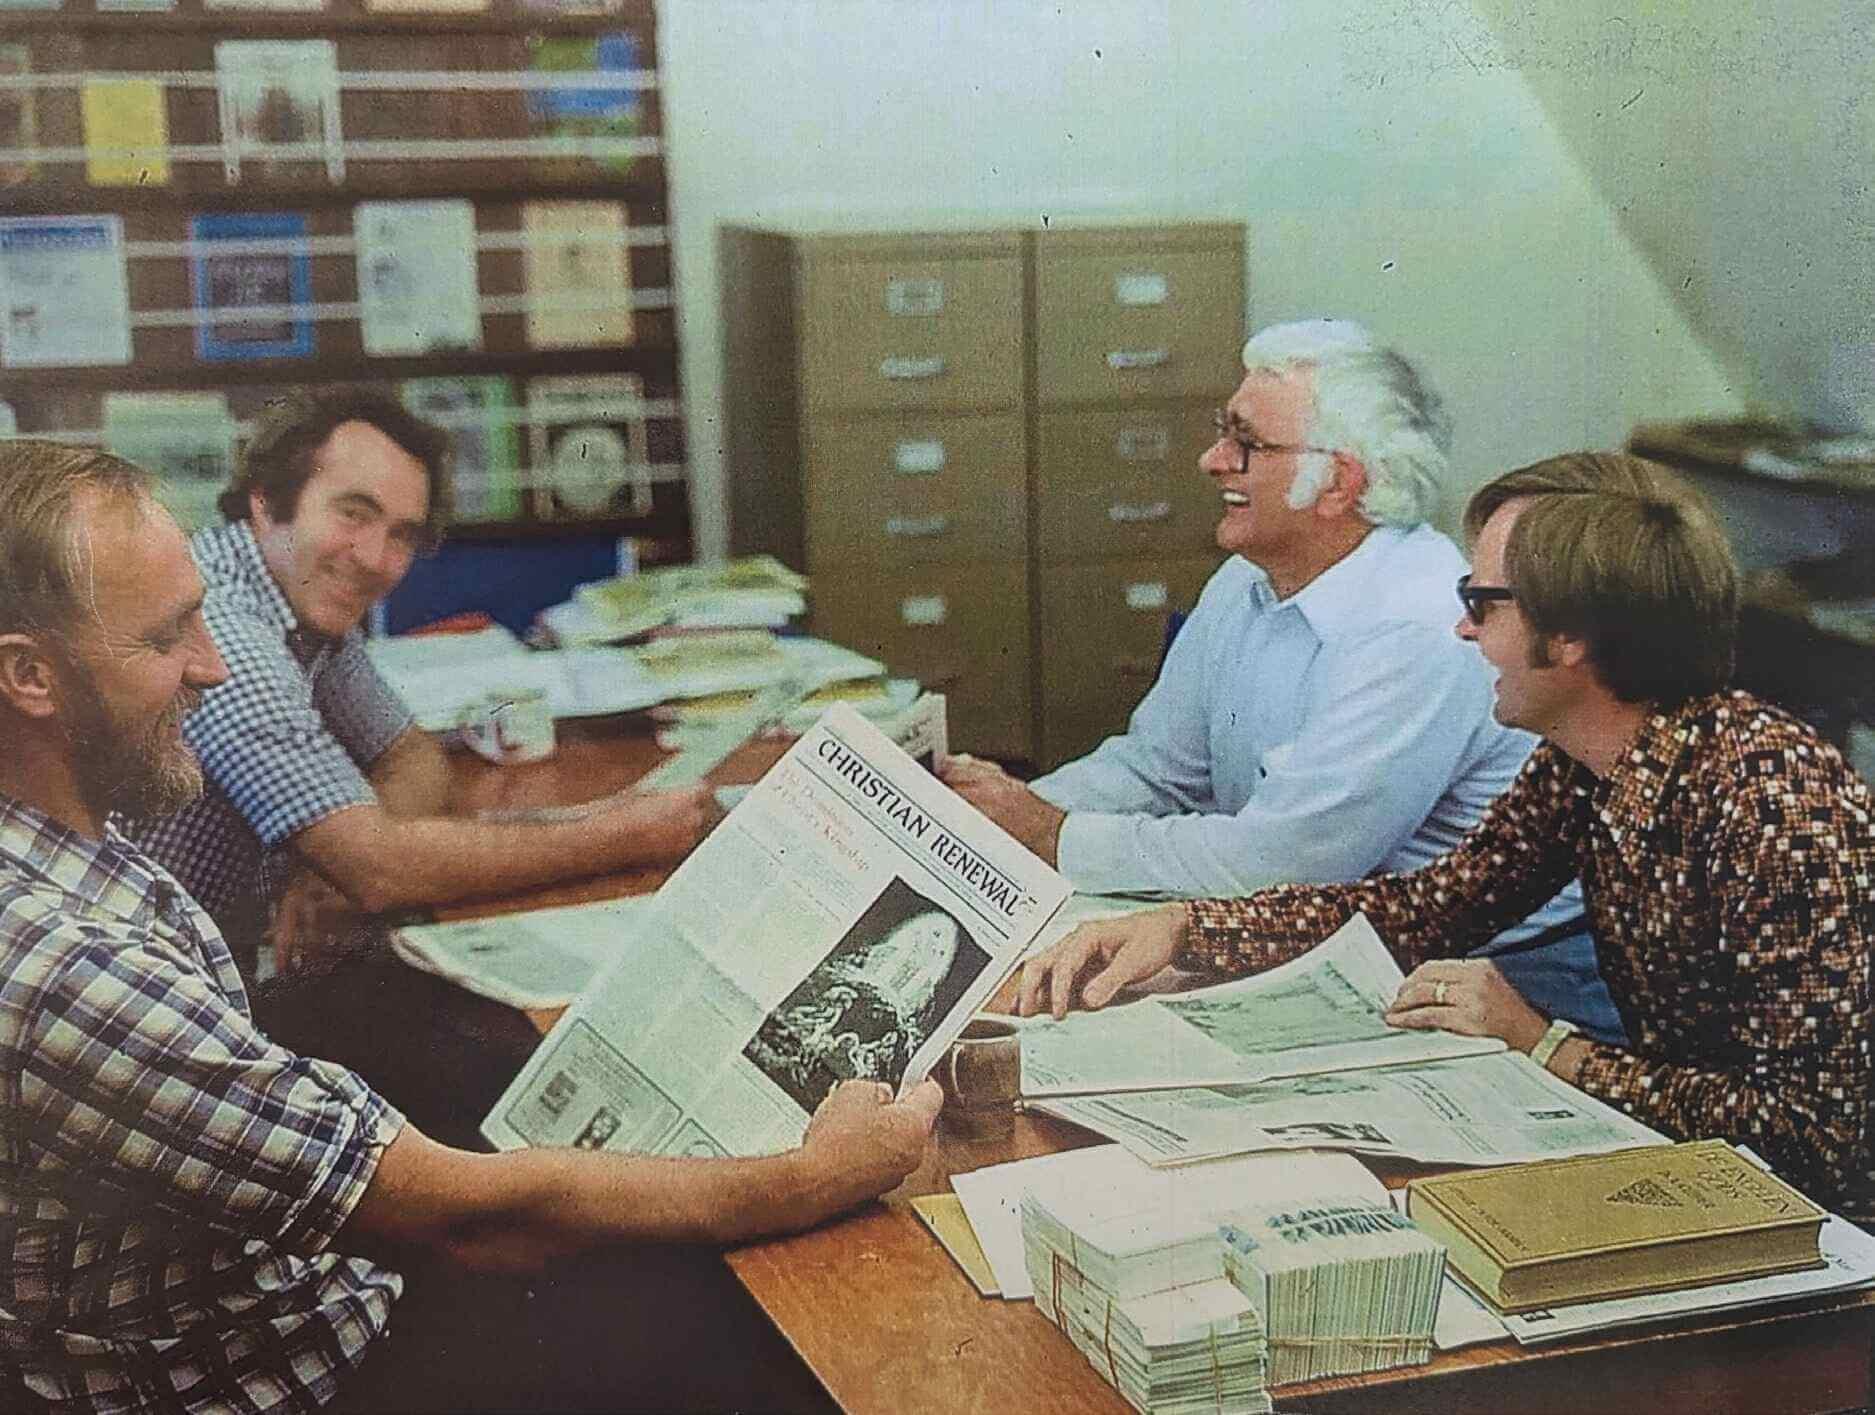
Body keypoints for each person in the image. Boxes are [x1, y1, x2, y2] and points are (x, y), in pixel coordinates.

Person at [0, 439, 941, 1413]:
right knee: (778, 1344)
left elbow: (406, 769)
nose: (213, 664)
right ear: (31, 676)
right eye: (166, 638)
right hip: (296, 1370)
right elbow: (476, 1225)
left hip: (298, 1284)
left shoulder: (61, 831)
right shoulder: (60, 965)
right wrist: (810, 1175)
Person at [1015, 452, 1875, 1220]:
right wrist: (1188, 929)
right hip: (1705, 1175)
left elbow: (1815, 1133)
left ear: (1570, 638)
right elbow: (1432, 906)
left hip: (1821, 1229)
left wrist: (1544, 1044)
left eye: (1481, 603)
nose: (1462, 629)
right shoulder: (1584, 762)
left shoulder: (1774, 806)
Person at [944, 318, 1620, 1039]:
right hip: (1332, 929)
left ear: (1338, 483)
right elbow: (1158, 768)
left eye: (1247, 443)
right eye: (1222, 433)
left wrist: (1053, 836)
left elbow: (1287, 864)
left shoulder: (1415, 623)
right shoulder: (1247, 578)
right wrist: (993, 824)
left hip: (1509, 971)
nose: (1212, 461)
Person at [127, 388, 716, 975]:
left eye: (403, 535)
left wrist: (332, 862)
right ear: (265, 502)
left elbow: (411, 756)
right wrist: (624, 834)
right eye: (353, 513)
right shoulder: (226, 628)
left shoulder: (303, 601)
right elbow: (381, 872)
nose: (374, 558)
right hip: (162, 984)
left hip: (224, 958)